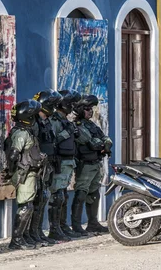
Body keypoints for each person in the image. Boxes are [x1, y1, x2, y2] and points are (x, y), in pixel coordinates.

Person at [4, 99, 46, 250]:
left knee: (33, 203)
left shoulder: (27, 131)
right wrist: (11, 171)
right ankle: (16, 240)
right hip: (25, 173)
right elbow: (13, 154)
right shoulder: (21, 133)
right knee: (26, 206)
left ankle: (25, 236)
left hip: (31, 172)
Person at [26, 89, 63, 247]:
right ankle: (29, 233)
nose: (54, 108)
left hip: (47, 165)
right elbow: (32, 145)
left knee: (43, 198)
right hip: (36, 165)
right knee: (34, 200)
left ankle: (38, 231)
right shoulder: (34, 121)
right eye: (52, 105)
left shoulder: (46, 121)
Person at [72, 95, 112, 235]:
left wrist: (106, 144)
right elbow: (91, 142)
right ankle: (76, 225)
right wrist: (102, 144)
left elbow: (105, 138)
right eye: (87, 109)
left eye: (91, 109)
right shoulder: (77, 126)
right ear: (81, 110)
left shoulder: (92, 125)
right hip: (85, 164)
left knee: (94, 193)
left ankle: (93, 223)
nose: (91, 112)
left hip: (96, 163)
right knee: (81, 193)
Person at [48, 89, 83, 241]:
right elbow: (52, 141)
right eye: (70, 104)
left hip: (69, 162)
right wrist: (67, 132)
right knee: (57, 196)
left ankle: (62, 226)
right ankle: (54, 229)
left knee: (64, 196)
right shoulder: (54, 121)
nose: (72, 107)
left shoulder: (66, 122)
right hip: (59, 162)